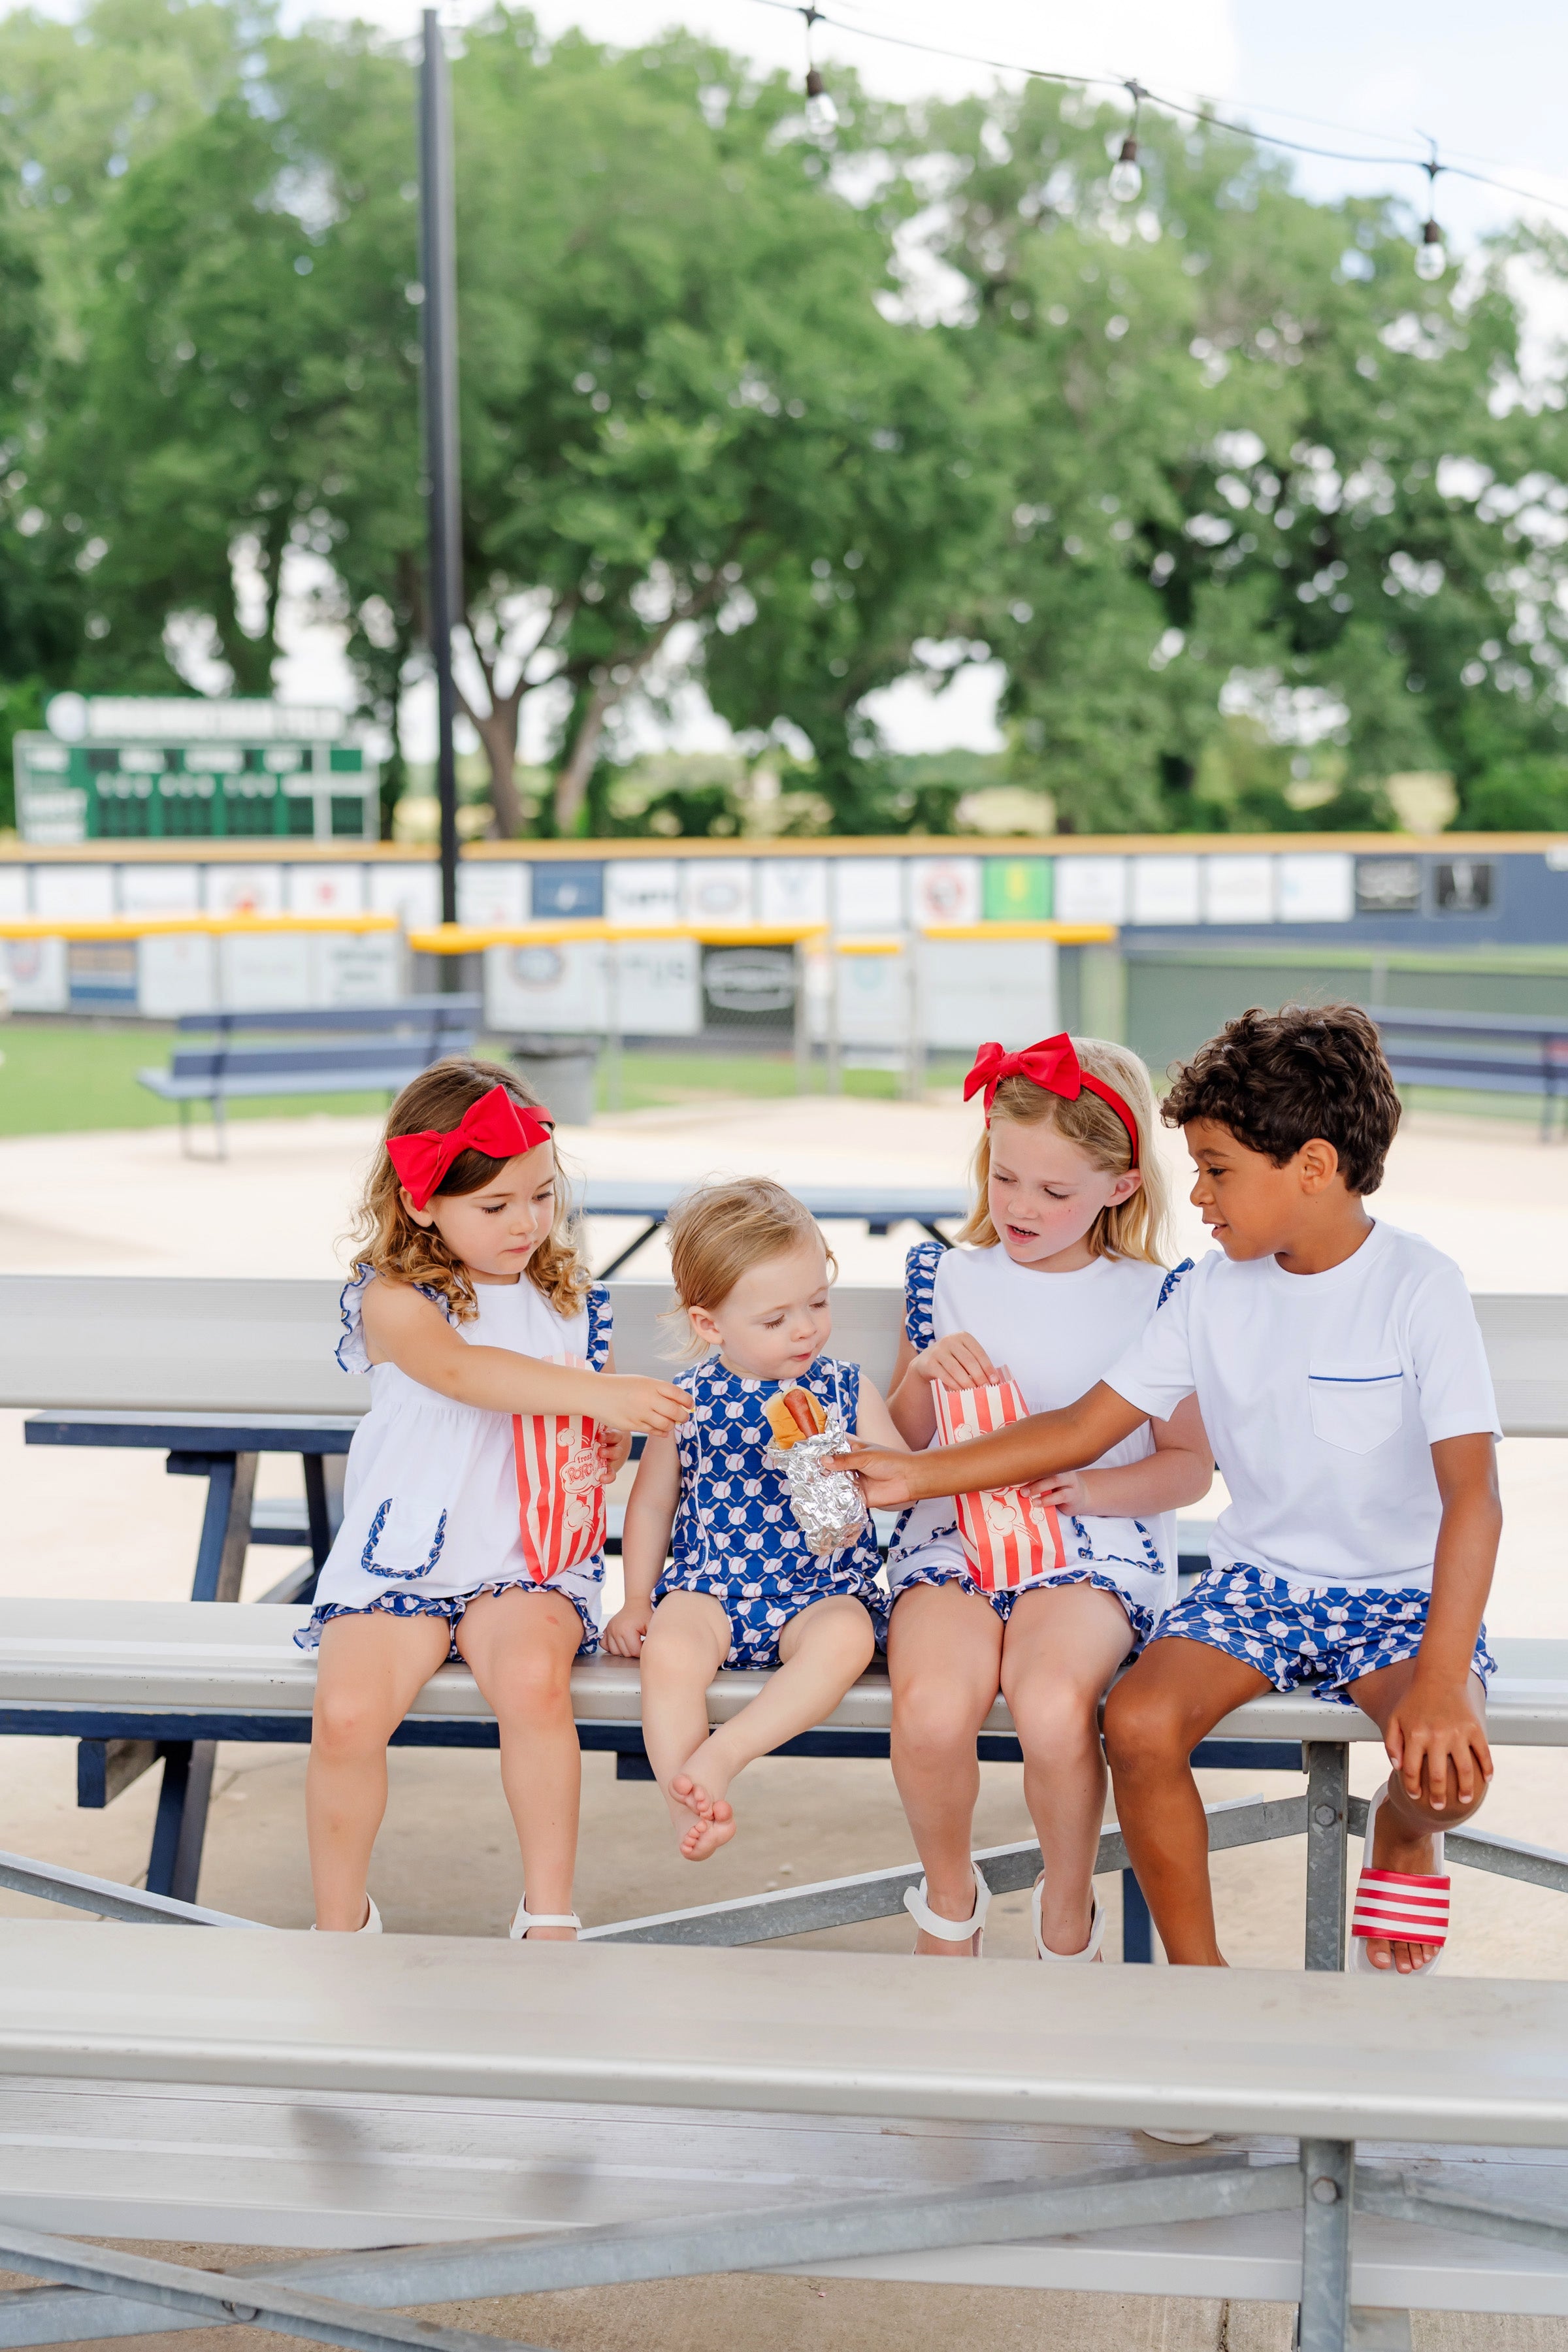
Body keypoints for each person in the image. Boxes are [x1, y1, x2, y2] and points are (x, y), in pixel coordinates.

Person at [847, 1004, 1501, 1979]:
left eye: (1216, 1169)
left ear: (1312, 1168)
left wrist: (1444, 1680)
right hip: (1260, 1587)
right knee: (1140, 1723)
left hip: (1405, 1598)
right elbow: (1080, 1429)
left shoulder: (1420, 1286)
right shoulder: (1206, 1292)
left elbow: (1474, 1498)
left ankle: (1403, 1831)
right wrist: (919, 1473)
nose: (1194, 1193)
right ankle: (1201, 1985)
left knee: (1447, 1777)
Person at [299, 1058, 689, 1939]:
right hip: (407, 1552)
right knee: (348, 1714)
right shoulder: (395, 1300)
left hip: (527, 1554)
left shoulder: (571, 1303)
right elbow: (462, 1373)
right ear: (421, 1203)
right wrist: (600, 1394)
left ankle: (547, 1912)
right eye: (496, 1204)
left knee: (531, 1682)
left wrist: (607, 1434)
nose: (527, 1222)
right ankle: (340, 1925)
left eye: (543, 1197)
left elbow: (581, 1431)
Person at [885, 1034, 1212, 1962]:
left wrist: (1096, 1486)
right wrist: (920, 1378)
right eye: (1005, 1177)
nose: (1022, 1206)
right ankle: (950, 1900)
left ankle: (1067, 1905)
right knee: (933, 1707)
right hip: (953, 1542)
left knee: (1053, 1702)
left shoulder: (1157, 1299)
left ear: (1120, 1185)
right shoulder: (945, 1278)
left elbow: (1189, 1465)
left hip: (1089, 1550)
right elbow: (902, 1451)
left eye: (1054, 1191)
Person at [604, 1179, 905, 1860]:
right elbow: (651, 1503)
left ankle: (723, 1755)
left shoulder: (845, 1387)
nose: (805, 1329)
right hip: (710, 1589)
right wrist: (636, 1600)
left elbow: (904, 1482)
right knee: (668, 1654)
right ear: (710, 1325)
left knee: (848, 1639)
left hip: (820, 1591)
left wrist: (860, 1460)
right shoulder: (687, 1401)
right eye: (775, 1320)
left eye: (818, 1303)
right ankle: (686, 1805)